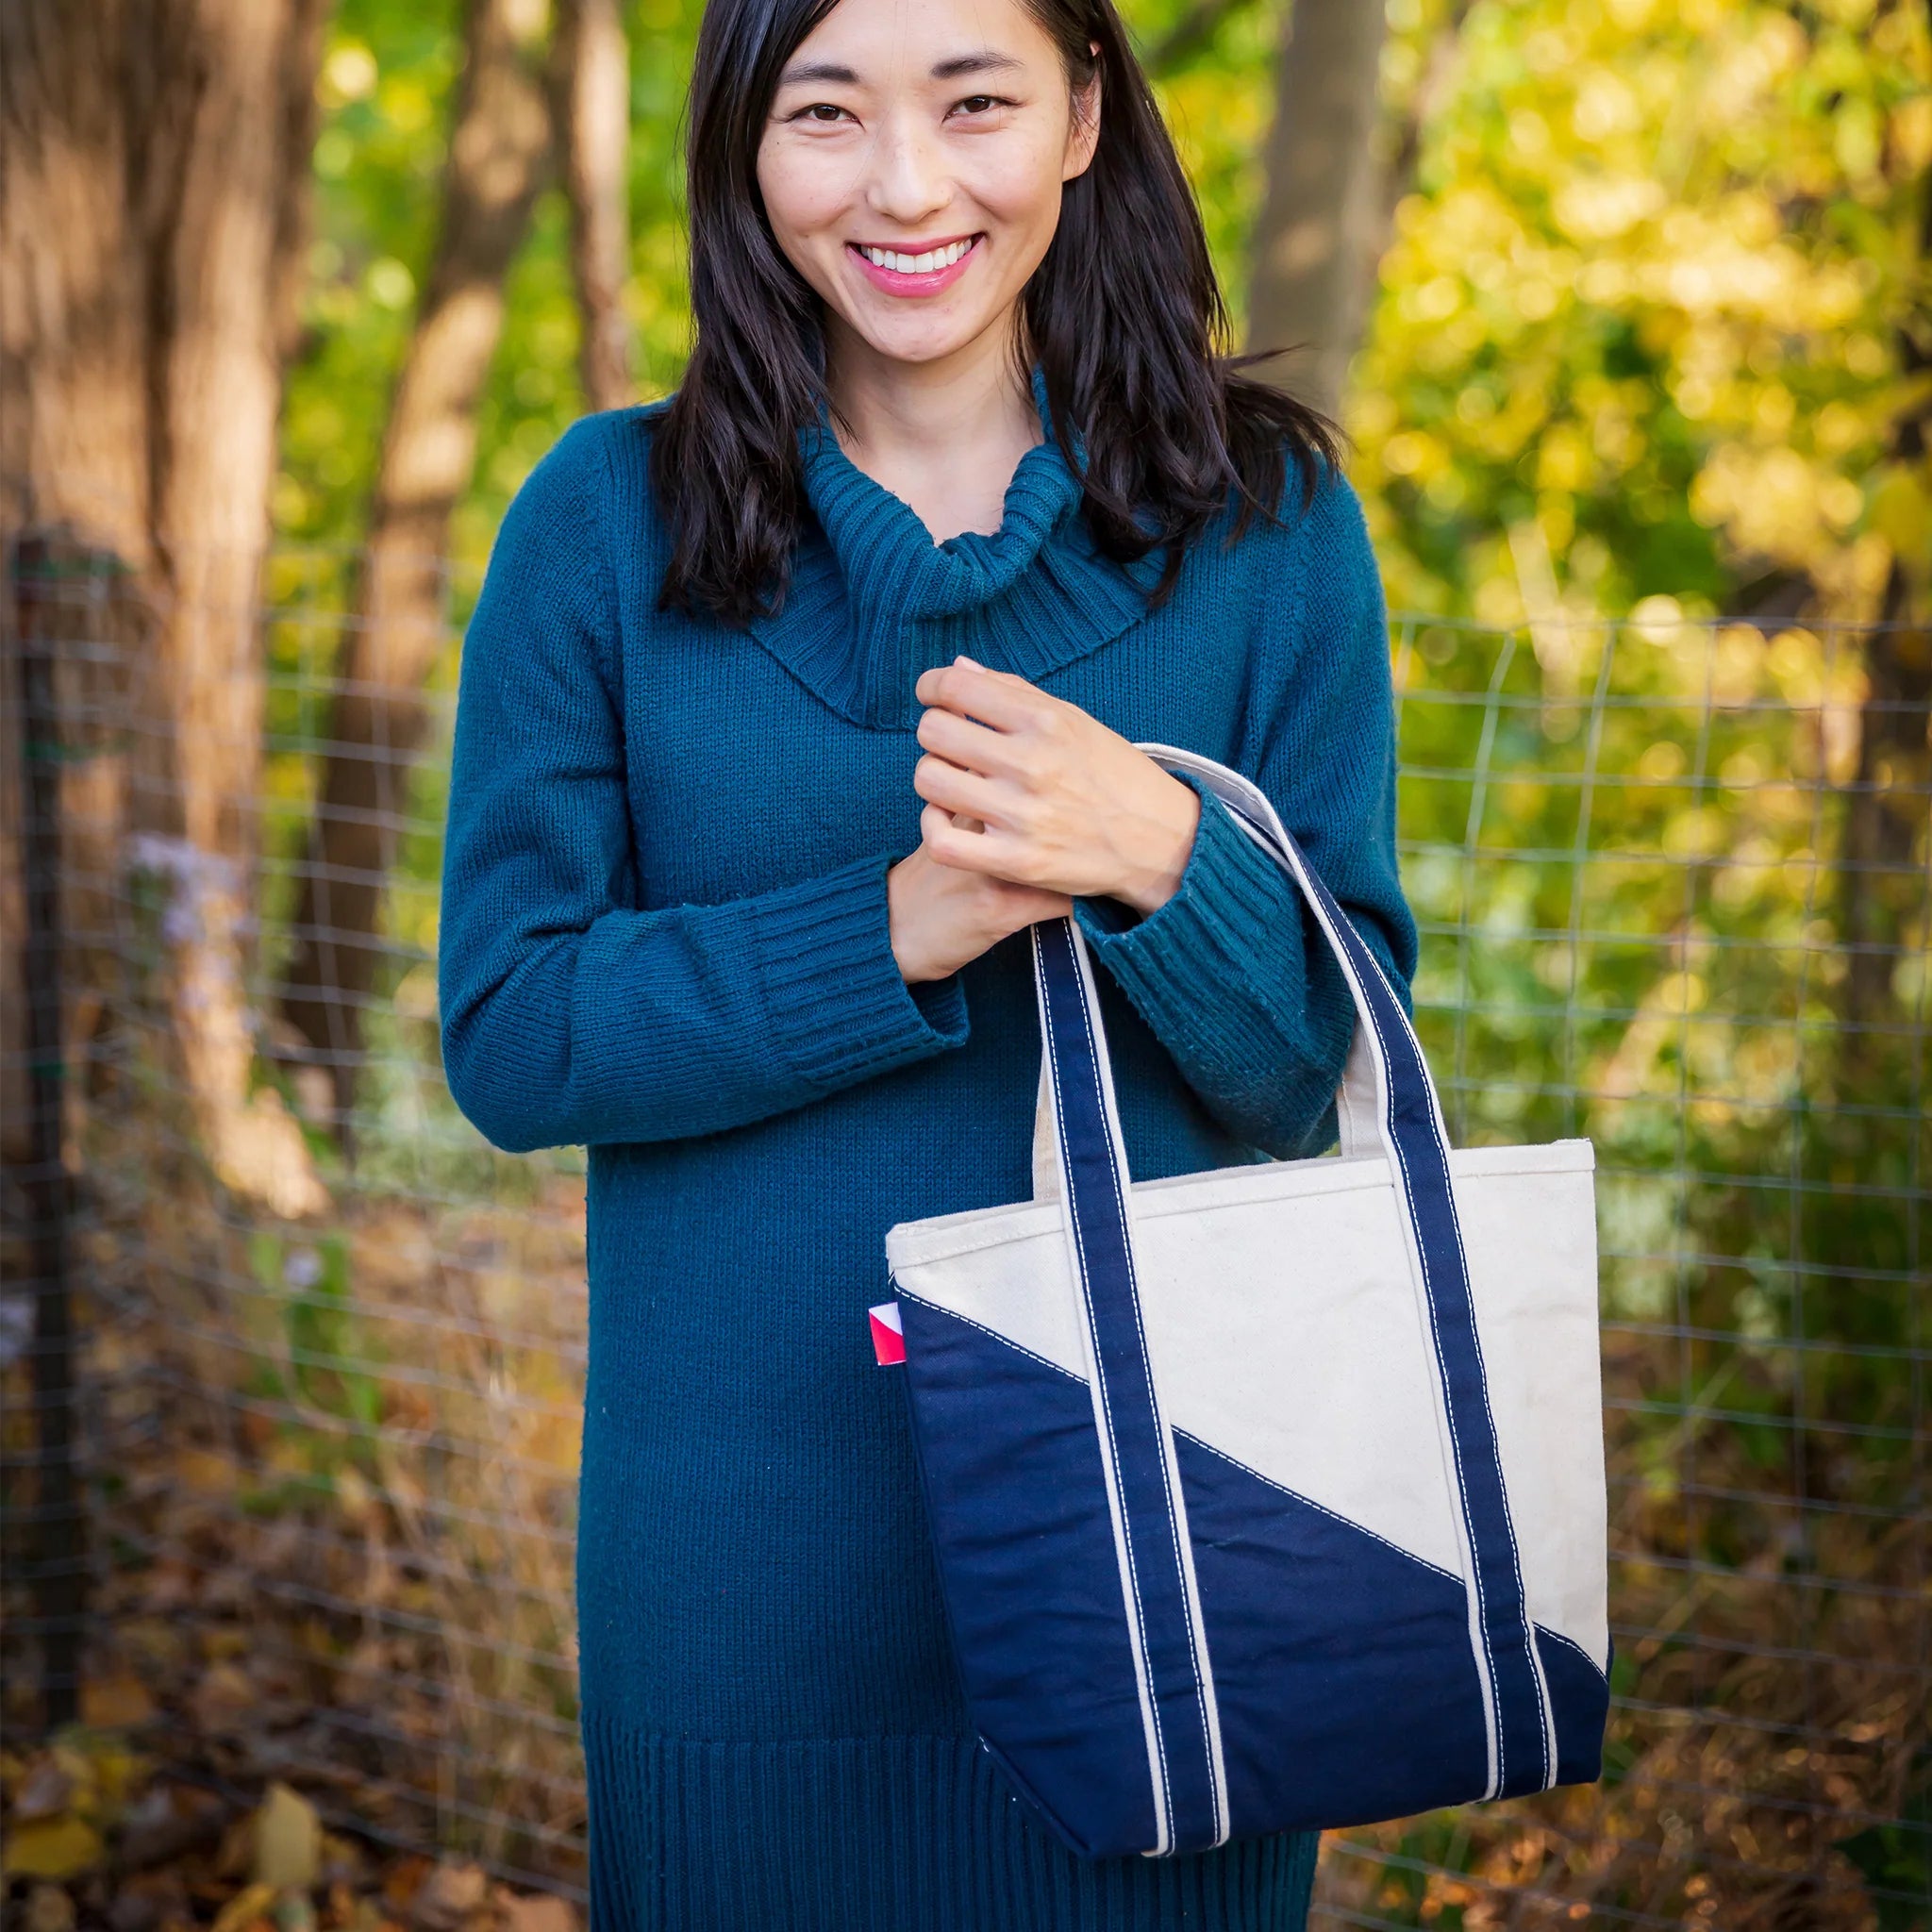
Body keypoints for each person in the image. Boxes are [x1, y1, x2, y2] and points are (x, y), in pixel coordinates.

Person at [437, 0, 1419, 1920]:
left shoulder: (1268, 527)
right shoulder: (601, 524)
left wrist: (1159, 856)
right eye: (827, 112)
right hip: (743, 1585)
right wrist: (895, 925)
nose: (903, 186)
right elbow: (514, 1030)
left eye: (973, 101)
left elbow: (1311, 1058)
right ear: (742, 142)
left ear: (1080, 115)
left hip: (1167, 1556)